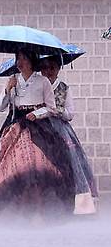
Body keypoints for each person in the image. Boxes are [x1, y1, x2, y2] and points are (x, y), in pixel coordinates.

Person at [0, 48, 75, 222]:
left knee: (39, 165)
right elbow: (0, 107)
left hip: (39, 128)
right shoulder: (13, 80)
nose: (20, 62)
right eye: (18, 58)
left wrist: (38, 114)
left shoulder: (42, 82)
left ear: (32, 60)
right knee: (14, 167)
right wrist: (6, 90)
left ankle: (42, 208)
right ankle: (18, 209)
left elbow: (51, 108)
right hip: (16, 127)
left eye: (24, 58)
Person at [39, 54, 98, 215]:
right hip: (39, 127)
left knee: (69, 161)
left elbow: (70, 113)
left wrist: (56, 111)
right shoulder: (38, 85)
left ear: (58, 69)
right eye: (45, 67)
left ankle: (75, 202)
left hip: (59, 128)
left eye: (52, 67)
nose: (48, 71)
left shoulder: (63, 88)